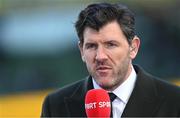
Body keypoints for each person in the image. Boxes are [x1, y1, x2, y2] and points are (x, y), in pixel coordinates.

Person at [41, 2, 180, 117]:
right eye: (91, 46)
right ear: (82, 50)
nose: (100, 56)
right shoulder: (55, 106)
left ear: (133, 48)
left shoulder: (174, 102)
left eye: (111, 45)